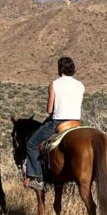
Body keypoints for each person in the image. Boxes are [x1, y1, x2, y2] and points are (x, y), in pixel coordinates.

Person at [24, 56, 84, 191]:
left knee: (31, 144)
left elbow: (49, 110)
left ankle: (37, 178)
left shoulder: (55, 84)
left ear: (59, 69)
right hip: (76, 123)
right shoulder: (80, 85)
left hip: (58, 123)